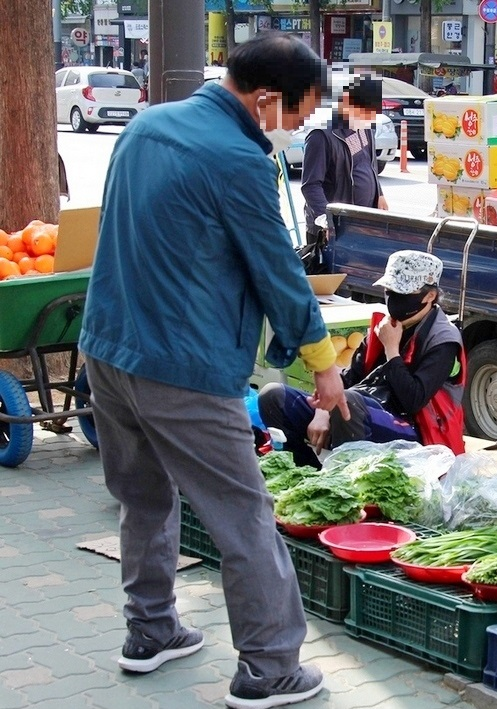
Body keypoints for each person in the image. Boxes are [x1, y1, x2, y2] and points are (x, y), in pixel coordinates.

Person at [79, 33, 349, 709]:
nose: (296, 130)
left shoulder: (144, 127)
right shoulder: (237, 160)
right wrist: (322, 363)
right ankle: (269, 669)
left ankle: (150, 631)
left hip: (107, 348)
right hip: (184, 367)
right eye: (296, 115)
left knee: (143, 498)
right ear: (266, 100)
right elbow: (279, 272)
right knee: (243, 517)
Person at [259, 250, 466, 465]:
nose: (393, 298)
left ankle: (345, 478)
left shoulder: (444, 340)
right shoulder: (383, 326)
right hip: (365, 407)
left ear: (429, 296)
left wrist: (391, 350)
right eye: (389, 290)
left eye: (402, 292)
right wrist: (322, 410)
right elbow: (349, 377)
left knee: (348, 404)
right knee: (274, 396)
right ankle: (304, 468)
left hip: (414, 429)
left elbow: (413, 400)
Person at [301, 74, 388, 247]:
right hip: (333, 229)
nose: (372, 115)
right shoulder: (321, 136)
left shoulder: (364, 128)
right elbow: (310, 186)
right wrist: (328, 221)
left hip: (361, 222)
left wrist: (379, 193)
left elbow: (368, 164)